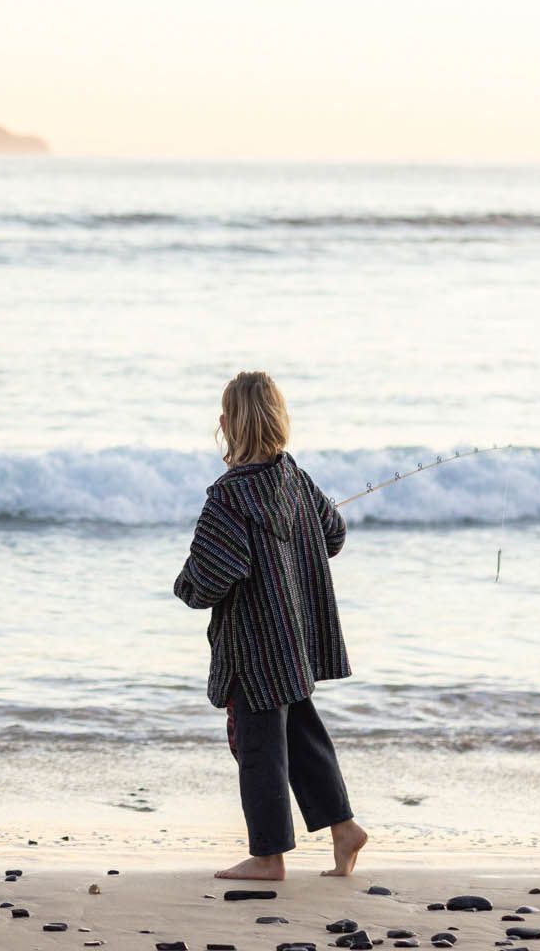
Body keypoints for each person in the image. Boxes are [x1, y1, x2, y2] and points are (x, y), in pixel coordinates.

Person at [174, 371, 368, 880]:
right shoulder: (294, 478)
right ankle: (344, 829)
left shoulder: (228, 497)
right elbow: (334, 534)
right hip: (295, 640)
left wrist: (185, 586)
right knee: (302, 737)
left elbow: (211, 577)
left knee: (259, 749)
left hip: (256, 650)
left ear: (226, 424)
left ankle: (268, 857)